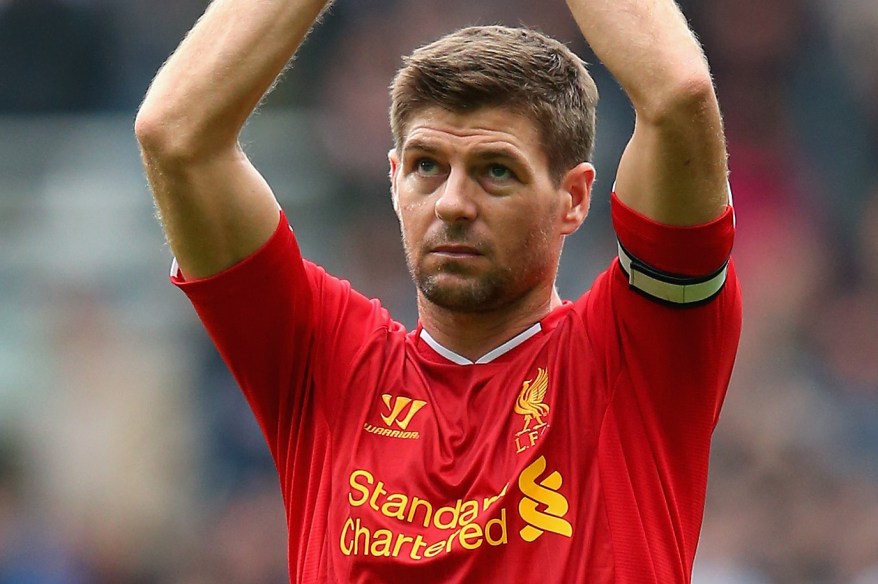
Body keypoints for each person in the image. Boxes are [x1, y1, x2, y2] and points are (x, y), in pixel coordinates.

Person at [135, 0, 741, 581]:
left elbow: (678, 98)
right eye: (428, 165)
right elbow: (177, 137)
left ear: (574, 199)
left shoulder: (638, 353)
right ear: (394, 178)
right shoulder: (327, 363)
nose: (452, 203)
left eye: (496, 171)